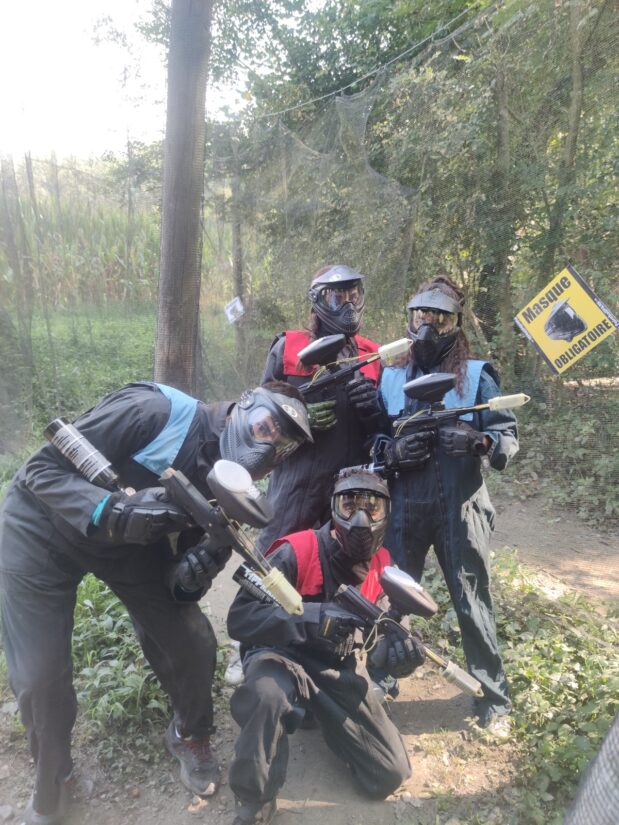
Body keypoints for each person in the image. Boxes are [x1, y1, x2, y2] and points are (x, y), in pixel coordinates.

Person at [0, 380, 312, 825]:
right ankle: (56, 775)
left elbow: (180, 589)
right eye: (267, 429)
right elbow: (42, 472)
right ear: (243, 405)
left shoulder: (235, 494)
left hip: (130, 548)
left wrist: (192, 572)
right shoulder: (156, 412)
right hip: (39, 528)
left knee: (193, 639)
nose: (267, 451)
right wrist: (112, 510)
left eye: (281, 448)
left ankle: (189, 733)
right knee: (39, 674)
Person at [226, 468, 423, 825]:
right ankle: (256, 798)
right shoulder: (296, 550)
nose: (360, 518)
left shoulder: (384, 566)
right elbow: (240, 619)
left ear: (386, 513)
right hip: (280, 655)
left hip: (337, 668)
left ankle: (326, 723)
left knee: (388, 775)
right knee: (266, 695)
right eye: (349, 505)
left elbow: (386, 634)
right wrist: (311, 618)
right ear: (333, 508)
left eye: (372, 507)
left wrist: (400, 657)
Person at [378, 276, 519, 735]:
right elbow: (374, 439)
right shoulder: (391, 376)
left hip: (462, 507)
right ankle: (381, 679)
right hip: (404, 506)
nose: (428, 326)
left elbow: (507, 437)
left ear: (455, 325)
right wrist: (391, 453)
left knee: (471, 598)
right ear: (410, 319)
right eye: (421, 316)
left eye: (439, 318)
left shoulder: (477, 375)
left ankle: (493, 698)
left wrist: (479, 440)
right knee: (392, 596)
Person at [256, 264, 384, 552]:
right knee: (271, 558)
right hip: (296, 481)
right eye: (337, 298)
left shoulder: (373, 355)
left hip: (349, 486)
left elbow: (383, 432)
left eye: (353, 296)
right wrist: (299, 417)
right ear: (317, 300)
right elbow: (259, 415)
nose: (348, 305)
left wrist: (372, 412)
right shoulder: (289, 347)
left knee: (341, 567)